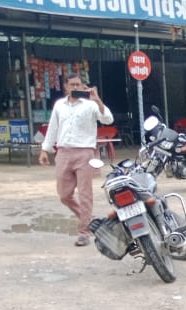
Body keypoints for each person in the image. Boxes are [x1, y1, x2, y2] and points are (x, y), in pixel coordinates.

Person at [39, 72, 113, 247]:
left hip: (85, 152)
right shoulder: (59, 105)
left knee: (85, 194)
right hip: (63, 152)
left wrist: (98, 99)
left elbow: (108, 119)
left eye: (78, 84)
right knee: (64, 195)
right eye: (71, 84)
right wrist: (45, 150)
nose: (75, 87)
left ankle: (84, 232)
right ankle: (88, 219)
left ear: (82, 86)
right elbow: (53, 129)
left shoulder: (90, 105)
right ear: (65, 86)